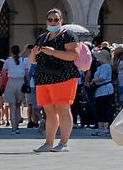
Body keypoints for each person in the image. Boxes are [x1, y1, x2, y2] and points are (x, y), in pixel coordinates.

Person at [27, 9, 88, 152]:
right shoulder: (42, 37)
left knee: (63, 110)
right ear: (46, 21)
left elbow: (74, 54)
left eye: (56, 19)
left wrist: (53, 52)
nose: (53, 22)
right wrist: (33, 53)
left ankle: (63, 143)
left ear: (61, 21)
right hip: (43, 78)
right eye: (50, 20)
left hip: (64, 77)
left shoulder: (68, 35)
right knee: (49, 112)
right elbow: (32, 61)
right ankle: (48, 143)